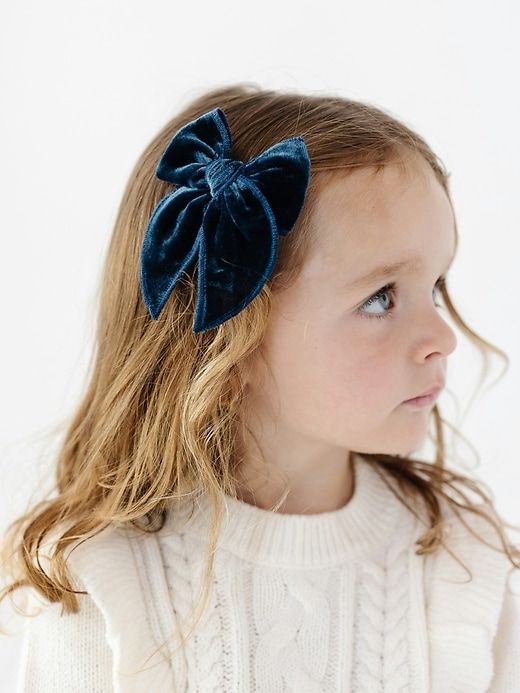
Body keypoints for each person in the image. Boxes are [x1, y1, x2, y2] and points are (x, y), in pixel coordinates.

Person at [2, 85, 519, 692]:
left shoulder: (463, 563)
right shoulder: (97, 578)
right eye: (380, 298)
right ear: (230, 343)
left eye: (435, 287)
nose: (443, 338)